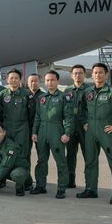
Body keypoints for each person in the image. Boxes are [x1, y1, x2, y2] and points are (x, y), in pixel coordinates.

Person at [77, 63, 112, 205]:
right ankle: (91, 189)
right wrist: (84, 122)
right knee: (90, 161)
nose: (97, 75)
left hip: (106, 130)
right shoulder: (88, 92)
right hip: (90, 131)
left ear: (106, 74)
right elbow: (81, 110)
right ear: (92, 74)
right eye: (95, 72)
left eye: (101, 72)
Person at [31, 70, 74, 199]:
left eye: (52, 80)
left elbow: (69, 117)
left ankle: (61, 188)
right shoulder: (41, 98)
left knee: (60, 161)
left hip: (57, 131)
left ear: (57, 81)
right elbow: (37, 117)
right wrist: (34, 132)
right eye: (47, 80)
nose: (50, 82)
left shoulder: (63, 97)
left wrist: (67, 133)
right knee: (41, 160)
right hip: (42, 131)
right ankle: (40, 185)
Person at [0, 68, 35, 190]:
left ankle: (26, 181)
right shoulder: (2, 94)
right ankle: (2, 179)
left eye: (16, 78)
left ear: (20, 80)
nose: (13, 80)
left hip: (22, 128)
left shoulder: (27, 94)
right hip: (7, 128)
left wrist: (30, 130)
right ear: (7, 80)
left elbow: (32, 114)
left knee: (23, 155)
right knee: (4, 153)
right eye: (11, 78)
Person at [0, 122, 28, 196]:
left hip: (18, 169)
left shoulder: (11, 147)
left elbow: (5, 165)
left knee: (17, 174)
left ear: (4, 132)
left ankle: (20, 187)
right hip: (7, 168)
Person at [64, 64, 89, 188]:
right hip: (71, 127)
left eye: (80, 73)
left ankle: (89, 183)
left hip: (84, 127)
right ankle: (70, 180)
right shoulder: (67, 91)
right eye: (75, 73)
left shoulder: (90, 90)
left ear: (84, 75)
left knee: (88, 156)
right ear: (71, 75)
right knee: (70, 155)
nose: (78, 75)